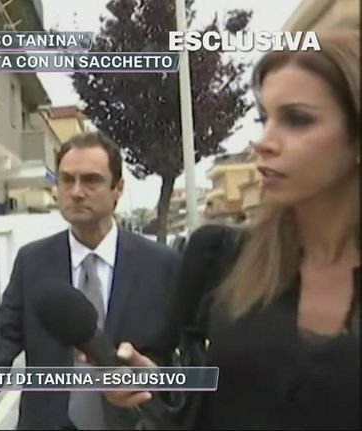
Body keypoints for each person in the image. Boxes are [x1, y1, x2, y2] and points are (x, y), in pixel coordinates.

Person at [105, 30, 360, 430]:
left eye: (297, 119)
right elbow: (177, 376)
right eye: (264, 118)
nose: (264, 141)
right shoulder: (220, 255)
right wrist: (145, 377)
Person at [0, 131, 181, 429]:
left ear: (118, 188)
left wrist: (154, 378)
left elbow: (179, 357)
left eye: (91, 180)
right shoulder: (32, 262)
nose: (76, 192)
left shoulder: (162, 265)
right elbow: (0, 344)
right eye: (67, 180)